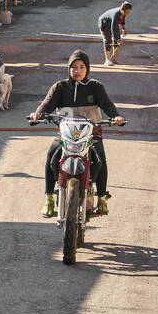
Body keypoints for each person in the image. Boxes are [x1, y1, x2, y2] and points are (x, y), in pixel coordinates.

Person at [29, 49, 125, 218]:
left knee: (100, 160)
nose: (77, 71)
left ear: (87, 69)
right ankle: (49, 198)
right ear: (68, 69)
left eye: (81, 67)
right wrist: (37, 114)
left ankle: (102, 198)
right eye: (74, 67)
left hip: (91, 134)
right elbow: (46, 105)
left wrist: (116, 116)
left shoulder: (96, 87)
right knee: (52, 157)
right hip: (66, 135)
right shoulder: (60, 87)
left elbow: (108, 105)